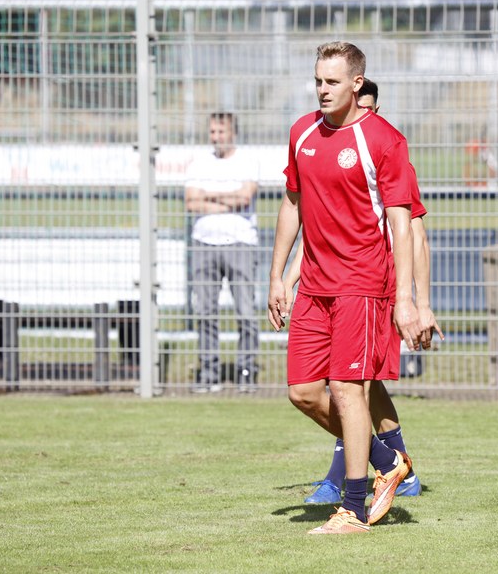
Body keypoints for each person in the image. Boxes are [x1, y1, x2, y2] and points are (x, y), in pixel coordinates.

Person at [267, 41, 422, 534]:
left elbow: (402, 226)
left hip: (363, 284)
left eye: (332, 82)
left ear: (357, 83)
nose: (322, 89)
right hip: (314, 286)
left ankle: (353, 509)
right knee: (302, 392)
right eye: (317, 80)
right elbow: (292, 203)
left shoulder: (383, 140)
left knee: (347, 390)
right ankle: (388, 461)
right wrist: (277, 275)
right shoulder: (302, 132)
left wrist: (405, 300)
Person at [290, 78, 443, 504]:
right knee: (355, 387)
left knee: (354, 385)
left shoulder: (386, 151)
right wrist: (288, 278)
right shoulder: (318, 141)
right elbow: (317, 227)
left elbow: (415, 235)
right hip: (334, 283)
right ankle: (392, 466)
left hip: (375, 285)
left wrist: (419, 303)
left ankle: (345, 482)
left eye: (370, 109)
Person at [185, 112, 260, 393]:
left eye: (221, 132)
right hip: (204, 244)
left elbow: (245, 198)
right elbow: (191, 202)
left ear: (233, 133)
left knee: (245, 312)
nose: (216, 137)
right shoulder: (198, 163)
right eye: (213, 132)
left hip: (240, 243)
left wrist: (208, 194)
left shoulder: (247, 162)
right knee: (205, 312)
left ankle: (246, 372)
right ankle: (209, 373)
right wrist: (227, 199)